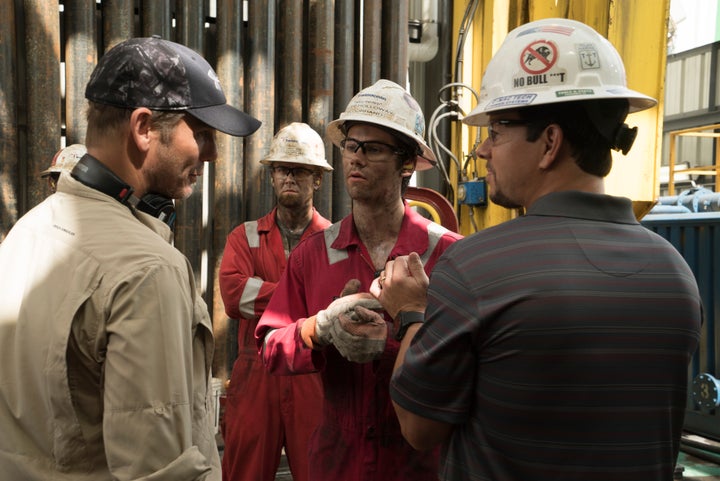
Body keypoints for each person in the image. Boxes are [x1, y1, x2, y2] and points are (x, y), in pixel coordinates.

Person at [369, 18, 703, 481]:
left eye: (499, 130)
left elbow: (419, 427)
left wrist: (410, 314)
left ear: (549, 142)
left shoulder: (474, 269)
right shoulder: (676, 274)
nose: (483, 149)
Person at [0, 36, 260, 481]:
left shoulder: (27, 231)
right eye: (200, 133)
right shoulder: (147, 269)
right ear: (143, 128)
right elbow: (157, 468)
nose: (213, 153)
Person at [254, 79, 462, 481]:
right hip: (337, 462)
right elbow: (269, 347)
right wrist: (322, 328)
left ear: (407, 163)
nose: (356, 158)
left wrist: (395, 342)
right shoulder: (312, 255)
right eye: (351, 145)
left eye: (374, 148)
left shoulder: (448, 256)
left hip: (418, 463)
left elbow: (467, 367)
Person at [219, 122, 333, 481]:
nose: (289, 178)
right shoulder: (245, 236)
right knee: (245, 473)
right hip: (257, 372)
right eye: (282, 170)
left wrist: (266, 290)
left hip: (314, 371)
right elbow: (234, 296)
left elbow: (337, 303)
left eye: (299, 171)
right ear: (271, 176)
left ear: (317, 179)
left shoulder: (335, 240)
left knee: (322, 471)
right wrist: (303, 296)